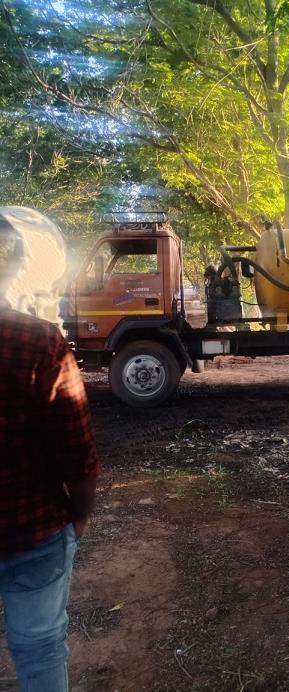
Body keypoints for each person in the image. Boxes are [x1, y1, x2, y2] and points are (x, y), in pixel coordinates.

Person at [0, 214, 100, 691]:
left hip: (34, 529)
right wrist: (78, 516)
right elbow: (77, 453)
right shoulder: (37, 341)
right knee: (39, 649)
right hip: (33, 531)